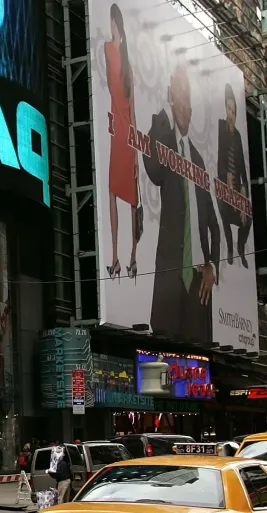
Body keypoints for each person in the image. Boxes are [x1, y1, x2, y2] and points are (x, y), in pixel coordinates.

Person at [145, 63, 219, 345]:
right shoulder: (162, 137)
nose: (186, 106)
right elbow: (153, 169)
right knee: (164, 356)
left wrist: (213, 265)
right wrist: (161, 117)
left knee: (199, 362)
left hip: (198, 287)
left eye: (189, 98)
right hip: (170, 281)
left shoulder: (198, 160)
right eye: (180, 96)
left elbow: (213, 222)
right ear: (170, 97)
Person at [104, 3, 141, 280]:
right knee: (121, 194)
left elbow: (133, 108)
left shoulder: (115, 54)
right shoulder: (120, 58)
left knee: (120, 195)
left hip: (122, 133)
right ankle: (126, 257)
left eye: (113, 23)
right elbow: (134, 109)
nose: (111, 27)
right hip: (123, 133)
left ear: (118, 26)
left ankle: (124, 257)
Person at [216, 83, 250, 274]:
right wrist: (226, 176)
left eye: (234, 111)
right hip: (222, 186)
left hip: (237, 191)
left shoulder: (237, 135)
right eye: (229, 109)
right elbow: (220, 157)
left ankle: (240, 249)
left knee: (249, 218)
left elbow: (243, 169)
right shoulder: (222, 128)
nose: (231, 114)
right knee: (223, 211)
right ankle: (229, 248)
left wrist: (243, 194)